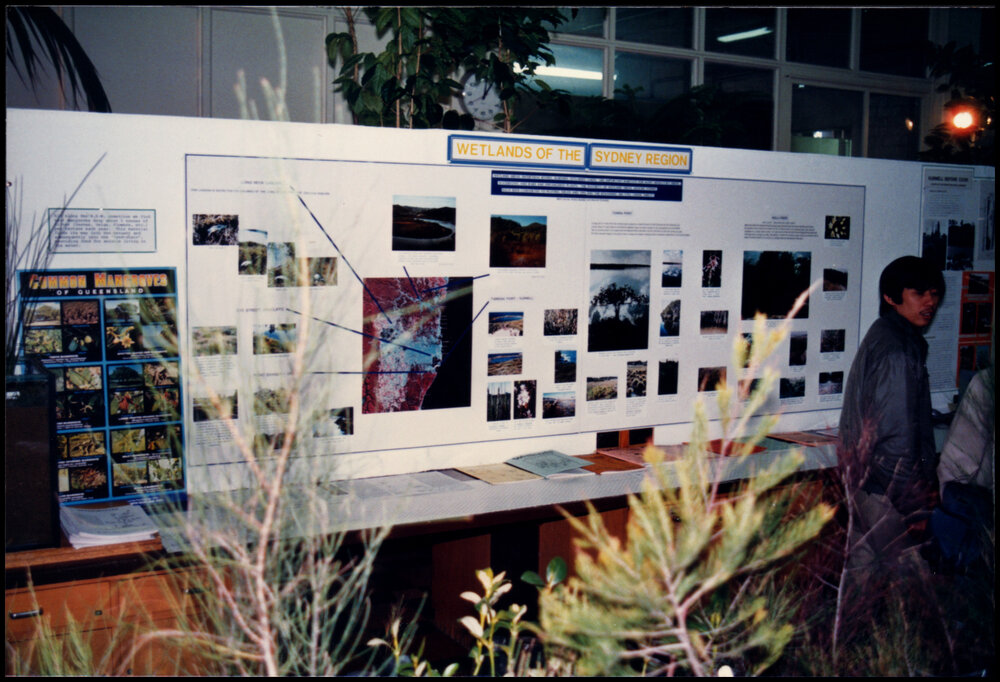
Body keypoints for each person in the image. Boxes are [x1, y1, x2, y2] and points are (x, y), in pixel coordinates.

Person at [839, 255, 944, 582]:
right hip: (884, 488)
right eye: (918, 293)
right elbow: (893, 438)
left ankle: (850, 635)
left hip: (866, 480)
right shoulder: (897, 351)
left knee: (862, 574)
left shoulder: (887, 335)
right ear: (890, 297)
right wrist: (912, 504)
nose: (930, 302)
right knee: (915, 587)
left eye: (934, 293)